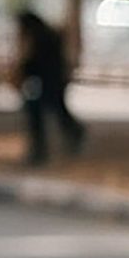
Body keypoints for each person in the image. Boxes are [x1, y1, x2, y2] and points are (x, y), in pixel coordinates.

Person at [17, 10, 86, 164]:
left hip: (46, 82)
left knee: (44, 114)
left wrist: (24, 70)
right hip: (52, 82)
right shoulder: (49, 36)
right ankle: (72, 134)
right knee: (56, 111)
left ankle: (41, 149)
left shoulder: (41, 39)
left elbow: (35, 63)